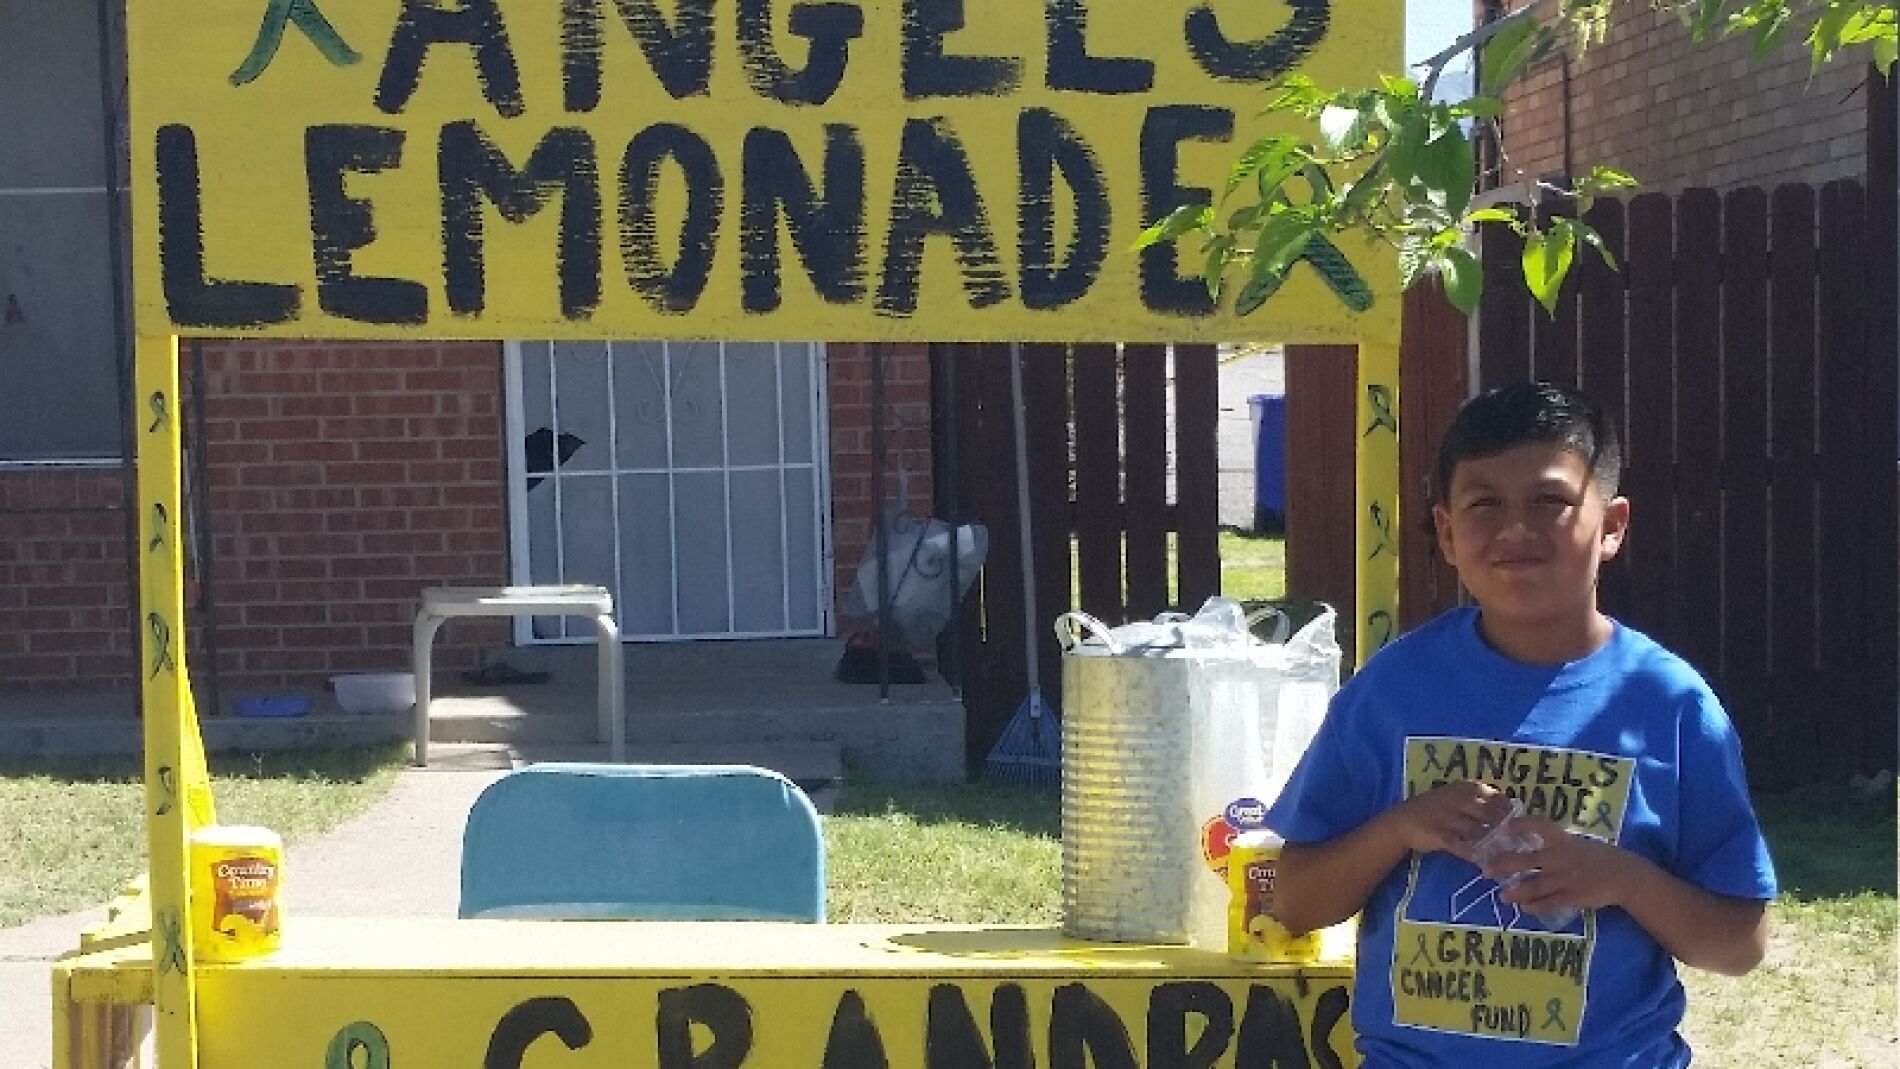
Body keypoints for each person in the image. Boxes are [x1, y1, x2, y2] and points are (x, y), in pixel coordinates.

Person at [1264, 381, 1776, 1067]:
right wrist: (1399, 828)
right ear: (1446, 531)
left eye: (1550, 501)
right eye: (1484, 504)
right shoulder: (1391, 692)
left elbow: (1740, 944)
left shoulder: (1670, 704)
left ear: (1614, 524)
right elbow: (1293, 901)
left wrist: (1624, 878)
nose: (1515, 530)